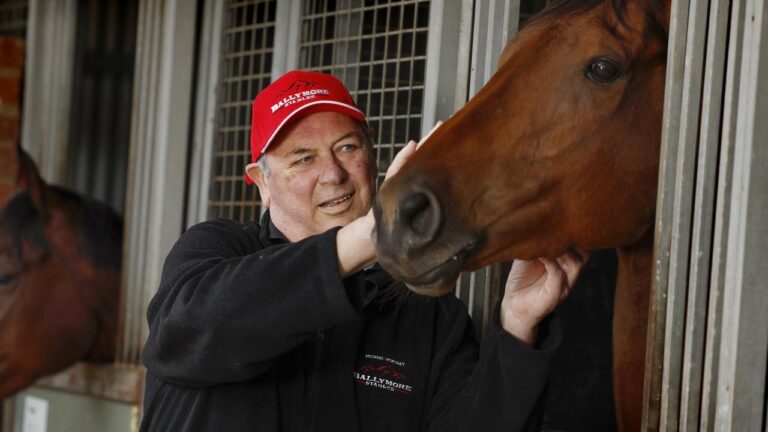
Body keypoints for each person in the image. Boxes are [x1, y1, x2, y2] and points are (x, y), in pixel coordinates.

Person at [139, 70, 585, 432]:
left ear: (372, 160)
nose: (333, 173)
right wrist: (377, 231)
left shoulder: (426, 313)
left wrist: (517, 326)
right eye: (303, 158)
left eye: (347, 148)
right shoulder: (216, 252)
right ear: (261, 184)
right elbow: (196, 331)